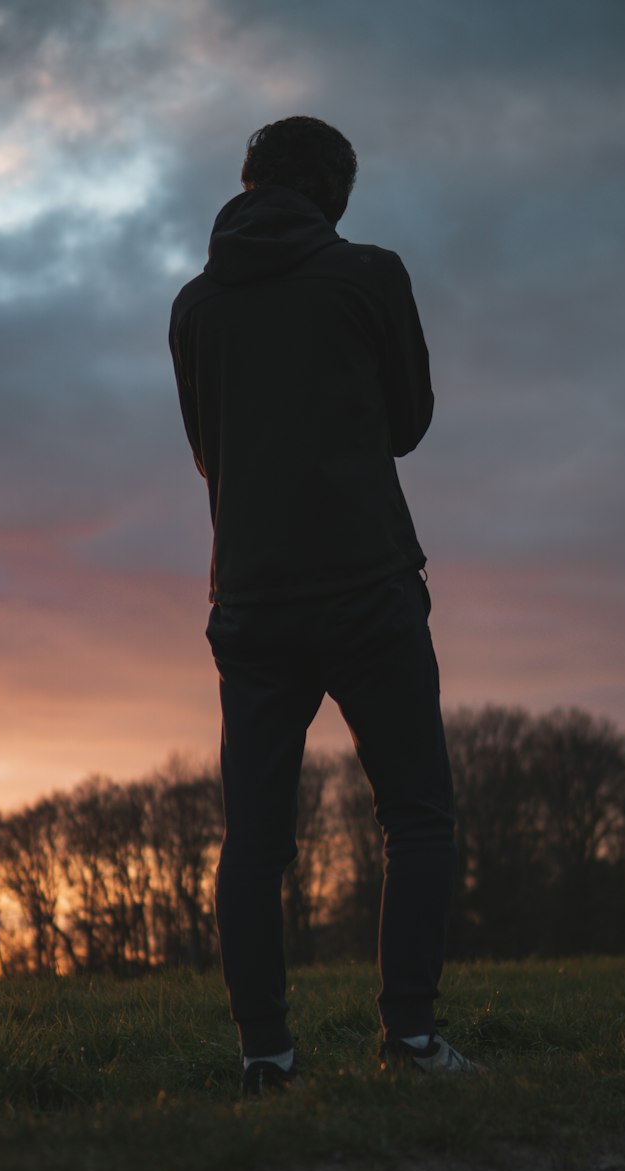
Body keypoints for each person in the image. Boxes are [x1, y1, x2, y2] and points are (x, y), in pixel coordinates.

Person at [169, 115, 476, 1096]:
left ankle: (266, 1056)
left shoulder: (194, 307)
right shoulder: (366, 276)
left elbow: (205, 446)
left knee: (254, 837)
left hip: (249, 597)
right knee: (416, 816)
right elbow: (412, 423)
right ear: (331, 197)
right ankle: (414, 1041)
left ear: (249, 183)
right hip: (365, 584)